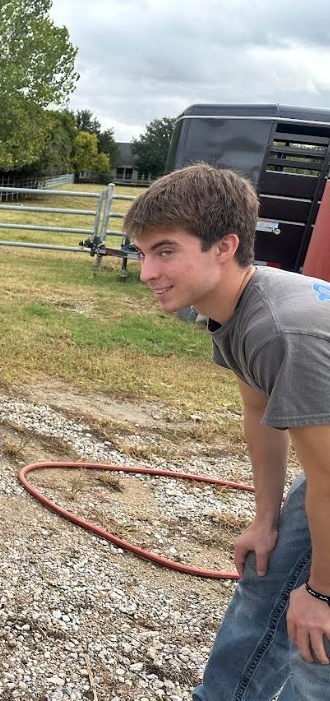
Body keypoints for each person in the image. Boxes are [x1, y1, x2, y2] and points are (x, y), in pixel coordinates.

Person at [124, 163, 330, 699]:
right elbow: (261, 416)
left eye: (165, 251)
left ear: (225, 245)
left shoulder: (281, 330)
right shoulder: (235, 310)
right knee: (266, 582)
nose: (147, 271)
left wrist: (322, 594)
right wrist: (265, 521)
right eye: (143, 252)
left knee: (318, 646)